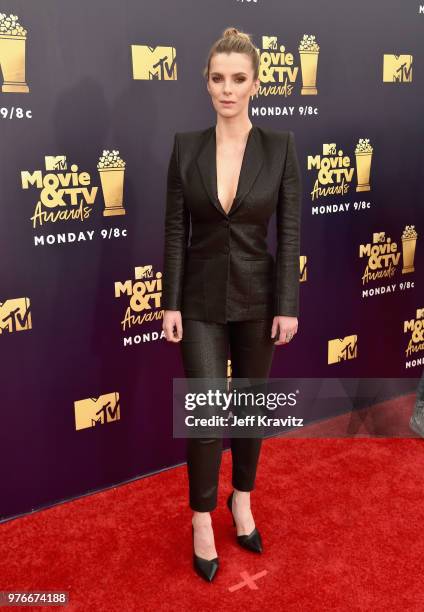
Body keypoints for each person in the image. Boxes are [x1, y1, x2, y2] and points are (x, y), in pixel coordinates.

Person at [162, 27, 302, 582]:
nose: (227, 88)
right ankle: (201, 518)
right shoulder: (185, 147)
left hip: (258, 299)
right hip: (196, 298)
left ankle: (240, 499)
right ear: (207, 83)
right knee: (204, 414)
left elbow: (289, 234)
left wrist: (286, 304)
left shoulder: (281, 147)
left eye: (238, 78)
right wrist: (169, 302)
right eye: (218, 78)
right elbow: (175, 231)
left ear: (256, 82)